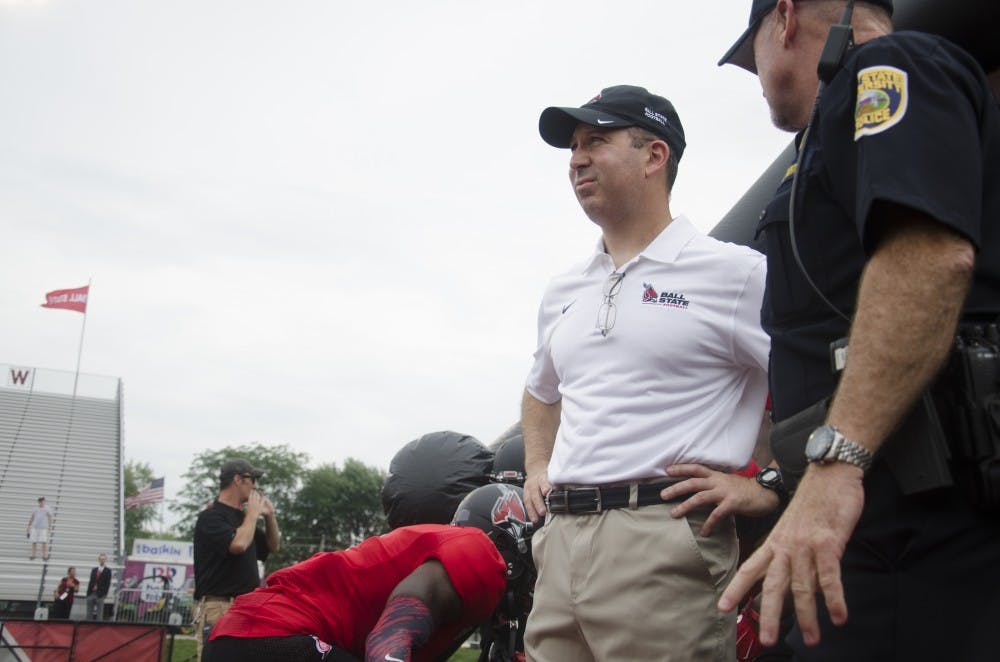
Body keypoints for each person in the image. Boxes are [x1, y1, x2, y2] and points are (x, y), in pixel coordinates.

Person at [716, 1, 1000, 659]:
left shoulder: (890, 67)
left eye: (750, 52)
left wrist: (836, 464)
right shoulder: (823, 138)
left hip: (915, 517)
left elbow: (927, 257)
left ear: (783, 19)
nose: (754, 76)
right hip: (868, 508)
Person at [521, 84, 771, 661]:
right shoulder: (564, 289)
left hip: (663, 536)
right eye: (573, 146)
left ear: (654, 156)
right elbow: (540, 391)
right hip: (558, 544)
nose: (576, 158)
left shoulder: (736, 273)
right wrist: (537, 464)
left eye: (596, 141)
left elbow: (813, 380)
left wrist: (770, 485)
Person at [202, 483, 535, 662]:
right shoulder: (477, 550)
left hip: (243, 636)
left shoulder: (446, 551)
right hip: (269, 638)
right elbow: (389, 637)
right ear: (511, 537)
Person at [193, 458, 281, 661]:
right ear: (238, 480)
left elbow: (273, 546)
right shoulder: (211, 517)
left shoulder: (243, 520)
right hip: (219, 606)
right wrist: (252, 514)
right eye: (253, 479)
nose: (256, 486)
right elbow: (238, 545)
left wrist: (269, 516)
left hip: (246, 606)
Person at [85, 552, 112, 620]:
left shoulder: (108, 570)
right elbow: (91, 581)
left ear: (105, 560)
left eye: (103, 559)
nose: (102, 560)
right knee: (89, 612)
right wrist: (88, 593)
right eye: (101, 559)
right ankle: (88, 624)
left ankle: (98, 625)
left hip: (100, 593)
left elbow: (107, 583)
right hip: (91, 592)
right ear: (99, 560)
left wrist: (105, 594)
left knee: (99, 612)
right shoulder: (94, 570)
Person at [26, 496, 52, 560]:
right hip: (35, 527)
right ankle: (33, 555)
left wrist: (49, 526)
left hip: (43, 527)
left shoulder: (47, 508)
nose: (41, 502)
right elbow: (32, 517)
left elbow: (49, 517)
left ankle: (44, 556)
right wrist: (28, 526)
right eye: (40, 501)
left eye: (42, 501)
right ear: (38, 502)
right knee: (34, 541)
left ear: (44, 501)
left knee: (44, 542)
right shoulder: (35, 509)